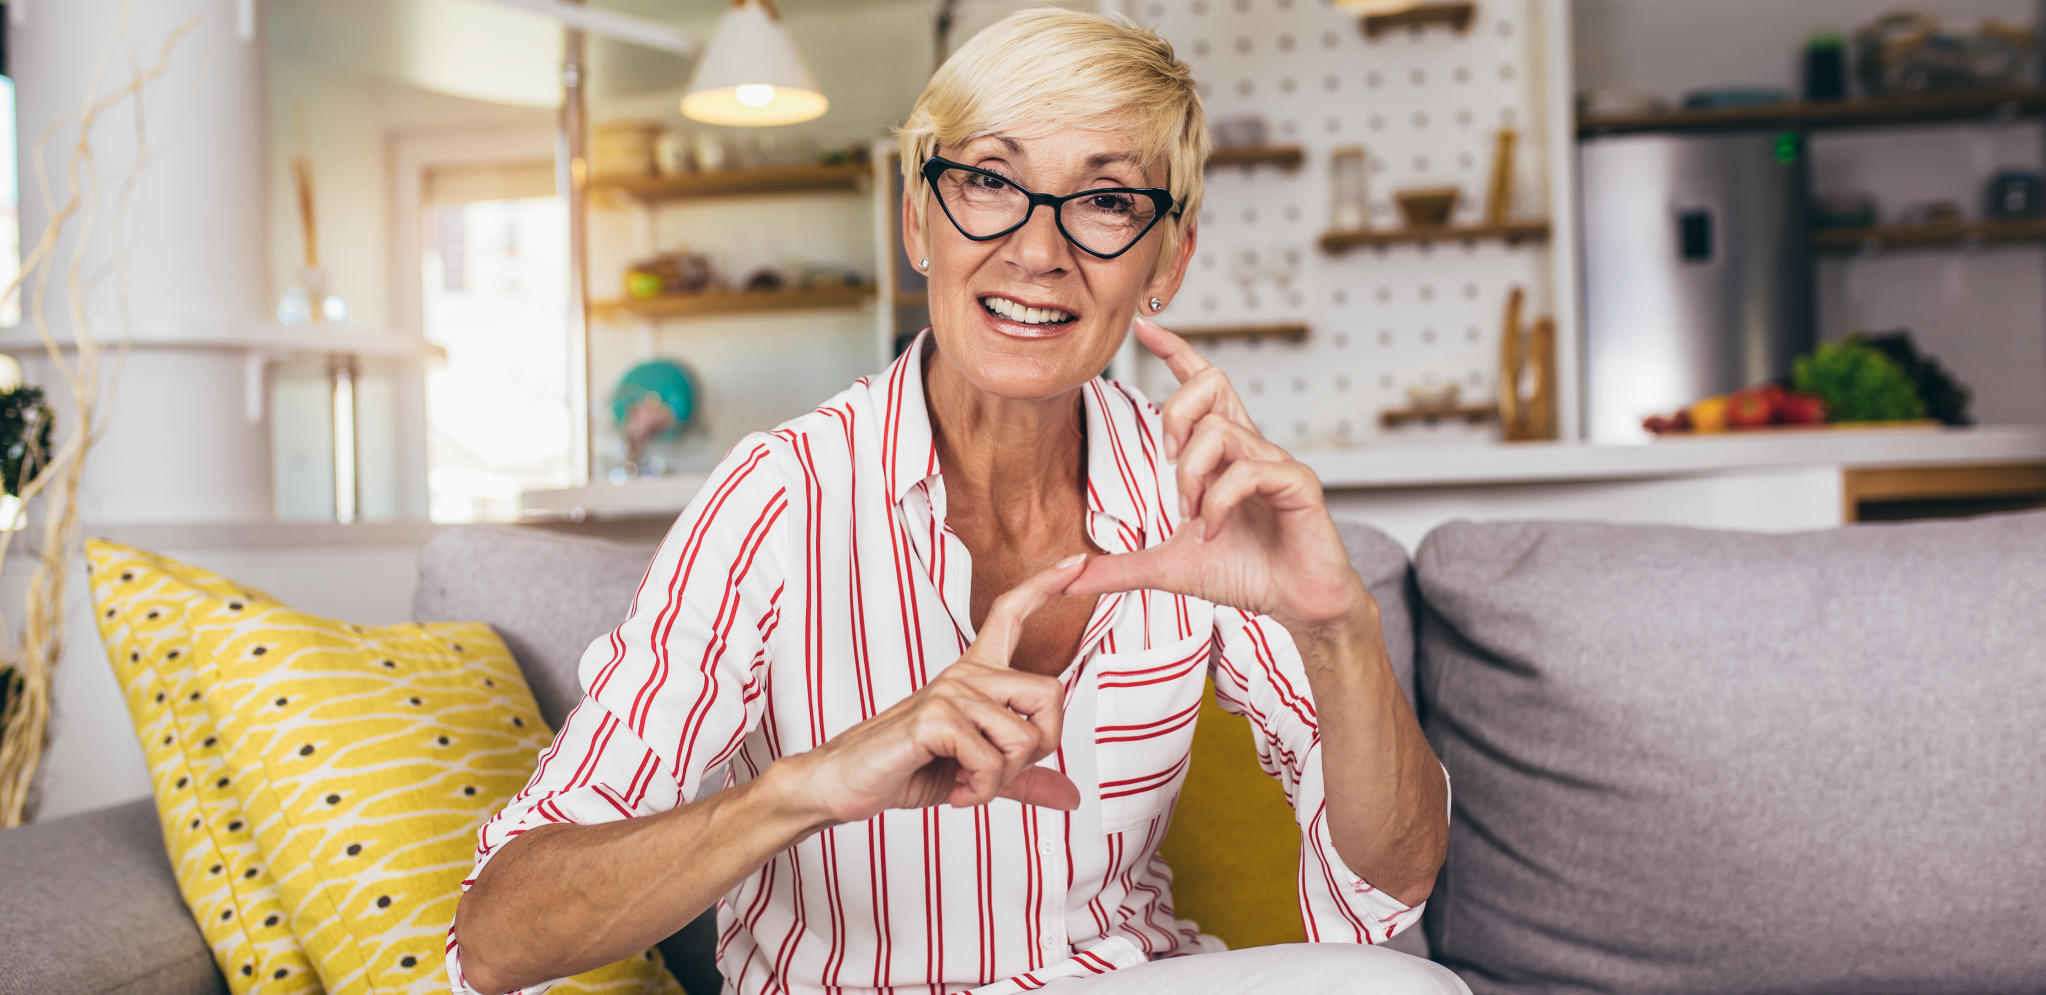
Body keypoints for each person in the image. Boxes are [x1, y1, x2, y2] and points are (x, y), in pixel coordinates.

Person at [449, 9, 1458, 994]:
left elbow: (1391, 881)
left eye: (1107, 201)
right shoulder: (781, 496)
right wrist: (809, 784)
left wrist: (1340, 626)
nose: (1038, 250)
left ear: (1168, 260)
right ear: (918, 221)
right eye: (989, 180)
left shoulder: (1192, 483)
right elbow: (498, 938)